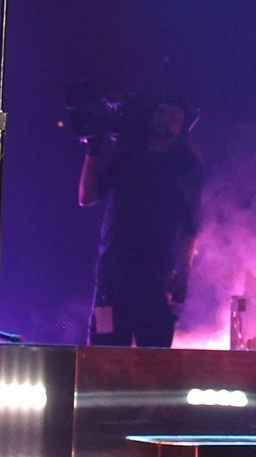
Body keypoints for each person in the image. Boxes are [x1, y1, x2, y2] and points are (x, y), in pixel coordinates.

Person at [78, 97, 203, 348]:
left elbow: (190, 229)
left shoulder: (184, 169)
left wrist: (182, 274)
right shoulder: (127, 158)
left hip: (154, 278)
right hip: (112, 276)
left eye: (173, 113)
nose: (165, 116)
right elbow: (86, 197)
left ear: (183, 127)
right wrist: (93, 150)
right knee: (104, 357)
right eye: (161, 110)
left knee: (154, 359)